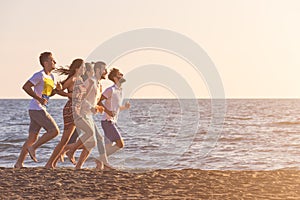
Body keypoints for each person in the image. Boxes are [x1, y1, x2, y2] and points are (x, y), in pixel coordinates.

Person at [14, 52, 63, 168]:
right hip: (36, 109)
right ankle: (33, 148)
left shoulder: (51, 77)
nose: (55, 62)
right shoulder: (39, 75)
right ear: (45, 63)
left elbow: (47, 95)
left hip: (39, 108)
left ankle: (19, 163)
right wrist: (38, 98)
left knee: (32, 138)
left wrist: (57, 91)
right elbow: (26, 86)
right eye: (52, 60)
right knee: (54, 131)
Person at [66, 61, 112, 169]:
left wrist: (96, 107)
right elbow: (81, 97)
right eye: (104, 69)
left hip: (89, 114)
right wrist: (91, 107)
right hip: (82, 113)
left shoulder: (99, 84)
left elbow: (93, 101)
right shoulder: (90, 81)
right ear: (97, 70)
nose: (106, 71)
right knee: (96, 139)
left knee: (93, 142)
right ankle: (69, 150)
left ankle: (78, 165)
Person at [44, 59, 86, 169]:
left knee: (65, 139)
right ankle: (66, 153)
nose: (85, 69)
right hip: (71, 109)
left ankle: (51, 163)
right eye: (83, 67)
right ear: (77, 68)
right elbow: (60, 90)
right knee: (88, 133)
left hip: (77, 109)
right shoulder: (72, 79)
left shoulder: (80, 79)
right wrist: (65, 92)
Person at [97, 68, 130, 160]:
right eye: (120, 74)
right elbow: (98, 101)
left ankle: (101, 164)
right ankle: (100, 159)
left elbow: (117, 108)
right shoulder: (110, 90)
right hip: (107, 121)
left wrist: (125, 107)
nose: (122, 75)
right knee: (120, 144)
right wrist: (107, 111)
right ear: (115, 78)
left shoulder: (120, 91)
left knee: (108, 147)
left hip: (112, 122)